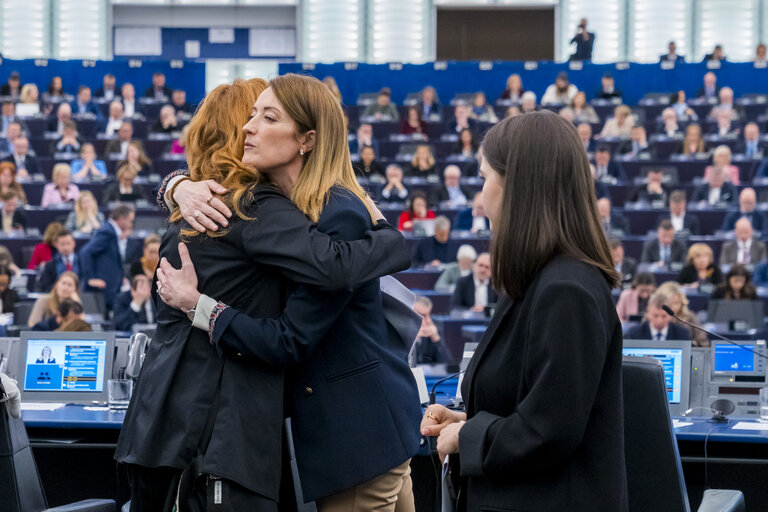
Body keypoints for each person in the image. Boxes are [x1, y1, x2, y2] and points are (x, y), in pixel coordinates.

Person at [121, 76, 419, 511]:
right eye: (250, 116)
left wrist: (198, 305)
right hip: (355, 430)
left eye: (268, 117)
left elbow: (294, 331)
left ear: (306, 139)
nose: (250, 128)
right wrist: (176, 185)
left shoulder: (313, 210)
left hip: (356, 435)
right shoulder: (265, 204)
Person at [422, 110, 627, 511]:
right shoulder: (539, 279)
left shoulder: (567, 289)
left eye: (483, 178)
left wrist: (469, 439)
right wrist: (469, 422)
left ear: (516, 185)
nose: (480, 197)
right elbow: (528, 404)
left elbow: (549, 431)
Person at [80, 205, 136, 311]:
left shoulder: (113, 232)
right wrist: (90, 278)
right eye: (130, 221)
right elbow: (85, 252)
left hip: (111, 287)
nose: (131, 225)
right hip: (102, 290)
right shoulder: (107, 232)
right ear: (122, 218)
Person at [656, 281, 708, 346]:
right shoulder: (652, 317)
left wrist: (694, 345)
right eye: (669, 303)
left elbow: (703, 342)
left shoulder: (690, 317)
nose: (672, 307)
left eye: (676, 303)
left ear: (682, 303)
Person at [625, 292, 690, 341]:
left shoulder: (682, 334)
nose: (659, 321)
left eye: (664, 316)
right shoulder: (633, 334)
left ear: (671, 315)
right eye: (655, 316)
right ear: (648, 313)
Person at [412, 296, 450, 365]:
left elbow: (446, 362)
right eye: (422, 315)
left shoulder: (435, 325)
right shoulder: (403, 327)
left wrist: (436, 339)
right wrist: (412, 339)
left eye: (428, 315)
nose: (427, 320)